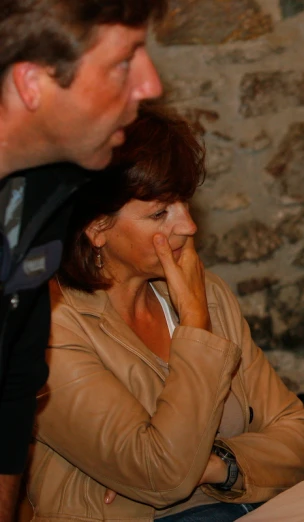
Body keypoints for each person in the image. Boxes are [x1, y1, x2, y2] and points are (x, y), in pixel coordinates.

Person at [26, 103, 304, 521]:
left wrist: (218, 465)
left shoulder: (207, 291)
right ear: (95, 228)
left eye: (184, 203)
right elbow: (162, 476)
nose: (188, 226)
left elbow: (299, 436)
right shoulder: (50, 326)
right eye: (160, 212)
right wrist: (195, 328)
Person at [0, 1, 164, 518]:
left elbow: (15, 383)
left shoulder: (47, 189)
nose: (151, 84)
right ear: (31, 82)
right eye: (124, 61)